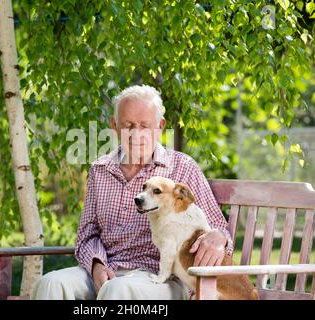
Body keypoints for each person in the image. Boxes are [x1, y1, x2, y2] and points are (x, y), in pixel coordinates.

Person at [31, 84, 233, 300]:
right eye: (128, 125)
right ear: (114, 125)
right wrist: (96, 266)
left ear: (160, 126)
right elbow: (87, 234)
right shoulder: (100, 170)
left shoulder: (182, 167)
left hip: (160, 278)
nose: (136, 134)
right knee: (50, 283)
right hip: (107, 270)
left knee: (117, 290)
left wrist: (218, 238)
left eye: (145, 125)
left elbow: (219, 229)